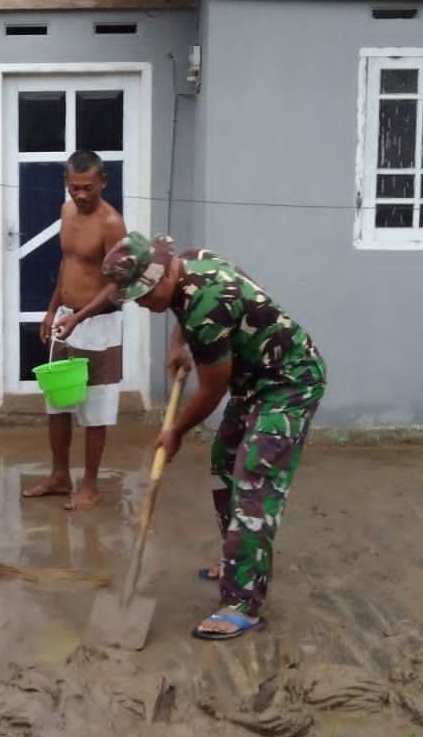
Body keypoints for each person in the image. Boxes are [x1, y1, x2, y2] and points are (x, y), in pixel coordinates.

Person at [101, 232, 326, 640]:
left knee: (255, 477)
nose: (139, 301)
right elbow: (186, 309)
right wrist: (177, 343)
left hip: (288, 383)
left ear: (163, 273)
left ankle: (243, 604)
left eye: (142, 292)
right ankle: (239, 559)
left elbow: (211, 389)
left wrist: (175, 431)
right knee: (224, 458)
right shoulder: (190, 262)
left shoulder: (207, 306)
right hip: (254, 378)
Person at [24, 150, 128, 511]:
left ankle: (90, 485)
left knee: (95, 409)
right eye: (73, 188)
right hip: (66, 320)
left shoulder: (112, 224)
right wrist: (52, 311)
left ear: (103, 181)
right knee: (58, 402)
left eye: (87, 188)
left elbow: (119, 285)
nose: (80, 196)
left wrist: (80, 316)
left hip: (98, 326)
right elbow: (67, 265)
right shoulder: (67, 212)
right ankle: (58, 476)